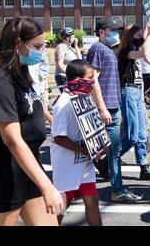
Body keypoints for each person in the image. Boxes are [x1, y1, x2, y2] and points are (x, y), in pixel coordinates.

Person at [0, 17, 63, 226]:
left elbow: (31, 108)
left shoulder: (21, 73)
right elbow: (12, 139)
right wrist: (47, 187)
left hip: (29, 166)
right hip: (2, 173)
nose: (42, 51)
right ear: (18, 43)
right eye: (37, 46)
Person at [87, 18, 142, 203]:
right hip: (105, 107)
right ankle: (115, 188)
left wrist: (115, 108)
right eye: (112, 30)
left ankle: (117, 188)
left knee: (114, 149)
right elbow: (92, 79)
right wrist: (102, 108)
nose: (115, 34)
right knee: (109, 149)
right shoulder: (97, 49)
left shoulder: (108, 49)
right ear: (102, 32)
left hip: (113, 106)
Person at [51, 60, 102, 226]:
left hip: (84, 163)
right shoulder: (63, 103)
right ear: (78, 79)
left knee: (93, 203)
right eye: (90, 78)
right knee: (61, 207)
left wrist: (99, 145)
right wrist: (84, 150)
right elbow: (58, 137)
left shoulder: (85, 98)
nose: (93, 82)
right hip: (67, 164)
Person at [118, 22, 150, 181]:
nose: (140, 39)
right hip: (128, 92)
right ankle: (108, 158)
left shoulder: (134, 51)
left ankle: (144, 167)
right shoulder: (125, 52)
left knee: (142, 134)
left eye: (141, 37)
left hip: (136, 93)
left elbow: (144, 54)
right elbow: (144, 52)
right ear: (130, 38)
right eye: (137, 37)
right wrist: (148, 33)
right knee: (132, 136)